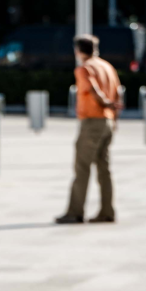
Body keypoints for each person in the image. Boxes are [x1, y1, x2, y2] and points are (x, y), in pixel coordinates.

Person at [55, 34, 121, 225]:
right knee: (104, 169)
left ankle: (75, 212)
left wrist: (104, 102)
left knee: (82, 167)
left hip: (93, 121)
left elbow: (94, 90)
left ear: (78, 50)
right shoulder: (107, 67)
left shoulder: (85, 69)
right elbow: (118, 93)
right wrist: (114, 118)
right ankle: (107, 211)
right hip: (107, 122)